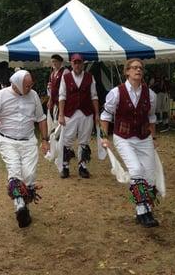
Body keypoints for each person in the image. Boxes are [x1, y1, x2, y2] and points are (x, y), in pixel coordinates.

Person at [100, 58, 160, 228]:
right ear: (127, 71)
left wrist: (153, 138)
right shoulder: (116, 93)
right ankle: (143, 212)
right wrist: (104, 137)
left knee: (149, 175)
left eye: (140, 68)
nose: (138, 70)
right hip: (123, 137)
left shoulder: (151, 95)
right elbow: (105, 116)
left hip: (144, 137)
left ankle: (145, 209)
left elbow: (151, 118)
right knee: (136, 170)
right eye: (134, 68)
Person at [0, 70, 49, 228]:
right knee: (14, 173)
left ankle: (24, 205)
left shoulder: (33, 95)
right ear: (17, 84)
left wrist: (45, 140)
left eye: (31, 85)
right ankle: (19, 206)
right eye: (27, 86)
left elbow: (41, 118)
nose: (30, 88)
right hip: (8, 141)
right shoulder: (1, 95)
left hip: (28, 142)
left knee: (29, 175)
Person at [58, 53, 99, 179]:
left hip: (86, 113)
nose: (77, 65)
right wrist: (61, 114)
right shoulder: (65, 78)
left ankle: (83, 167)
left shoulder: (90, 77)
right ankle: (65, 166)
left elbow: (94, 96)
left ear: (83, 64)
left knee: (84, 140)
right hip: (70, 113)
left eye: (79, 62)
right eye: (75, 63)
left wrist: (97, 114)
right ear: (71, 63)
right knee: (67, 139)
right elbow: (62, 96)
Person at [47, 54, 69, 120]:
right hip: (54, 100)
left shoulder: (65, 72)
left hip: (63, 100)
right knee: (53, 119)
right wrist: (50, 99)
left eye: (55, 61)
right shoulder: (52, 73)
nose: (54, 63)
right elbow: (51, 88)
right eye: (52, 61)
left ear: (60, 62)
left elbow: (67, 88)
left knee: (62, 118)